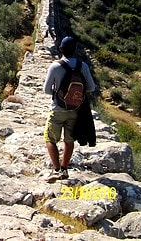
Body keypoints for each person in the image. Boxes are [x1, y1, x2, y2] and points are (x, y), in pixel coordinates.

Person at [43, 36, 96, 183]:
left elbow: (46, 90)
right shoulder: (83, 66)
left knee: (50, 139)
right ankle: (65, 168)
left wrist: (58, 92)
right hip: (75, 110)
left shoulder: (55, 66)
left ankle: (57, 169)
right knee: (69, 140)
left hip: (57, 109)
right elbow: (91, 87)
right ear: (75, 50)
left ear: (61, 49)